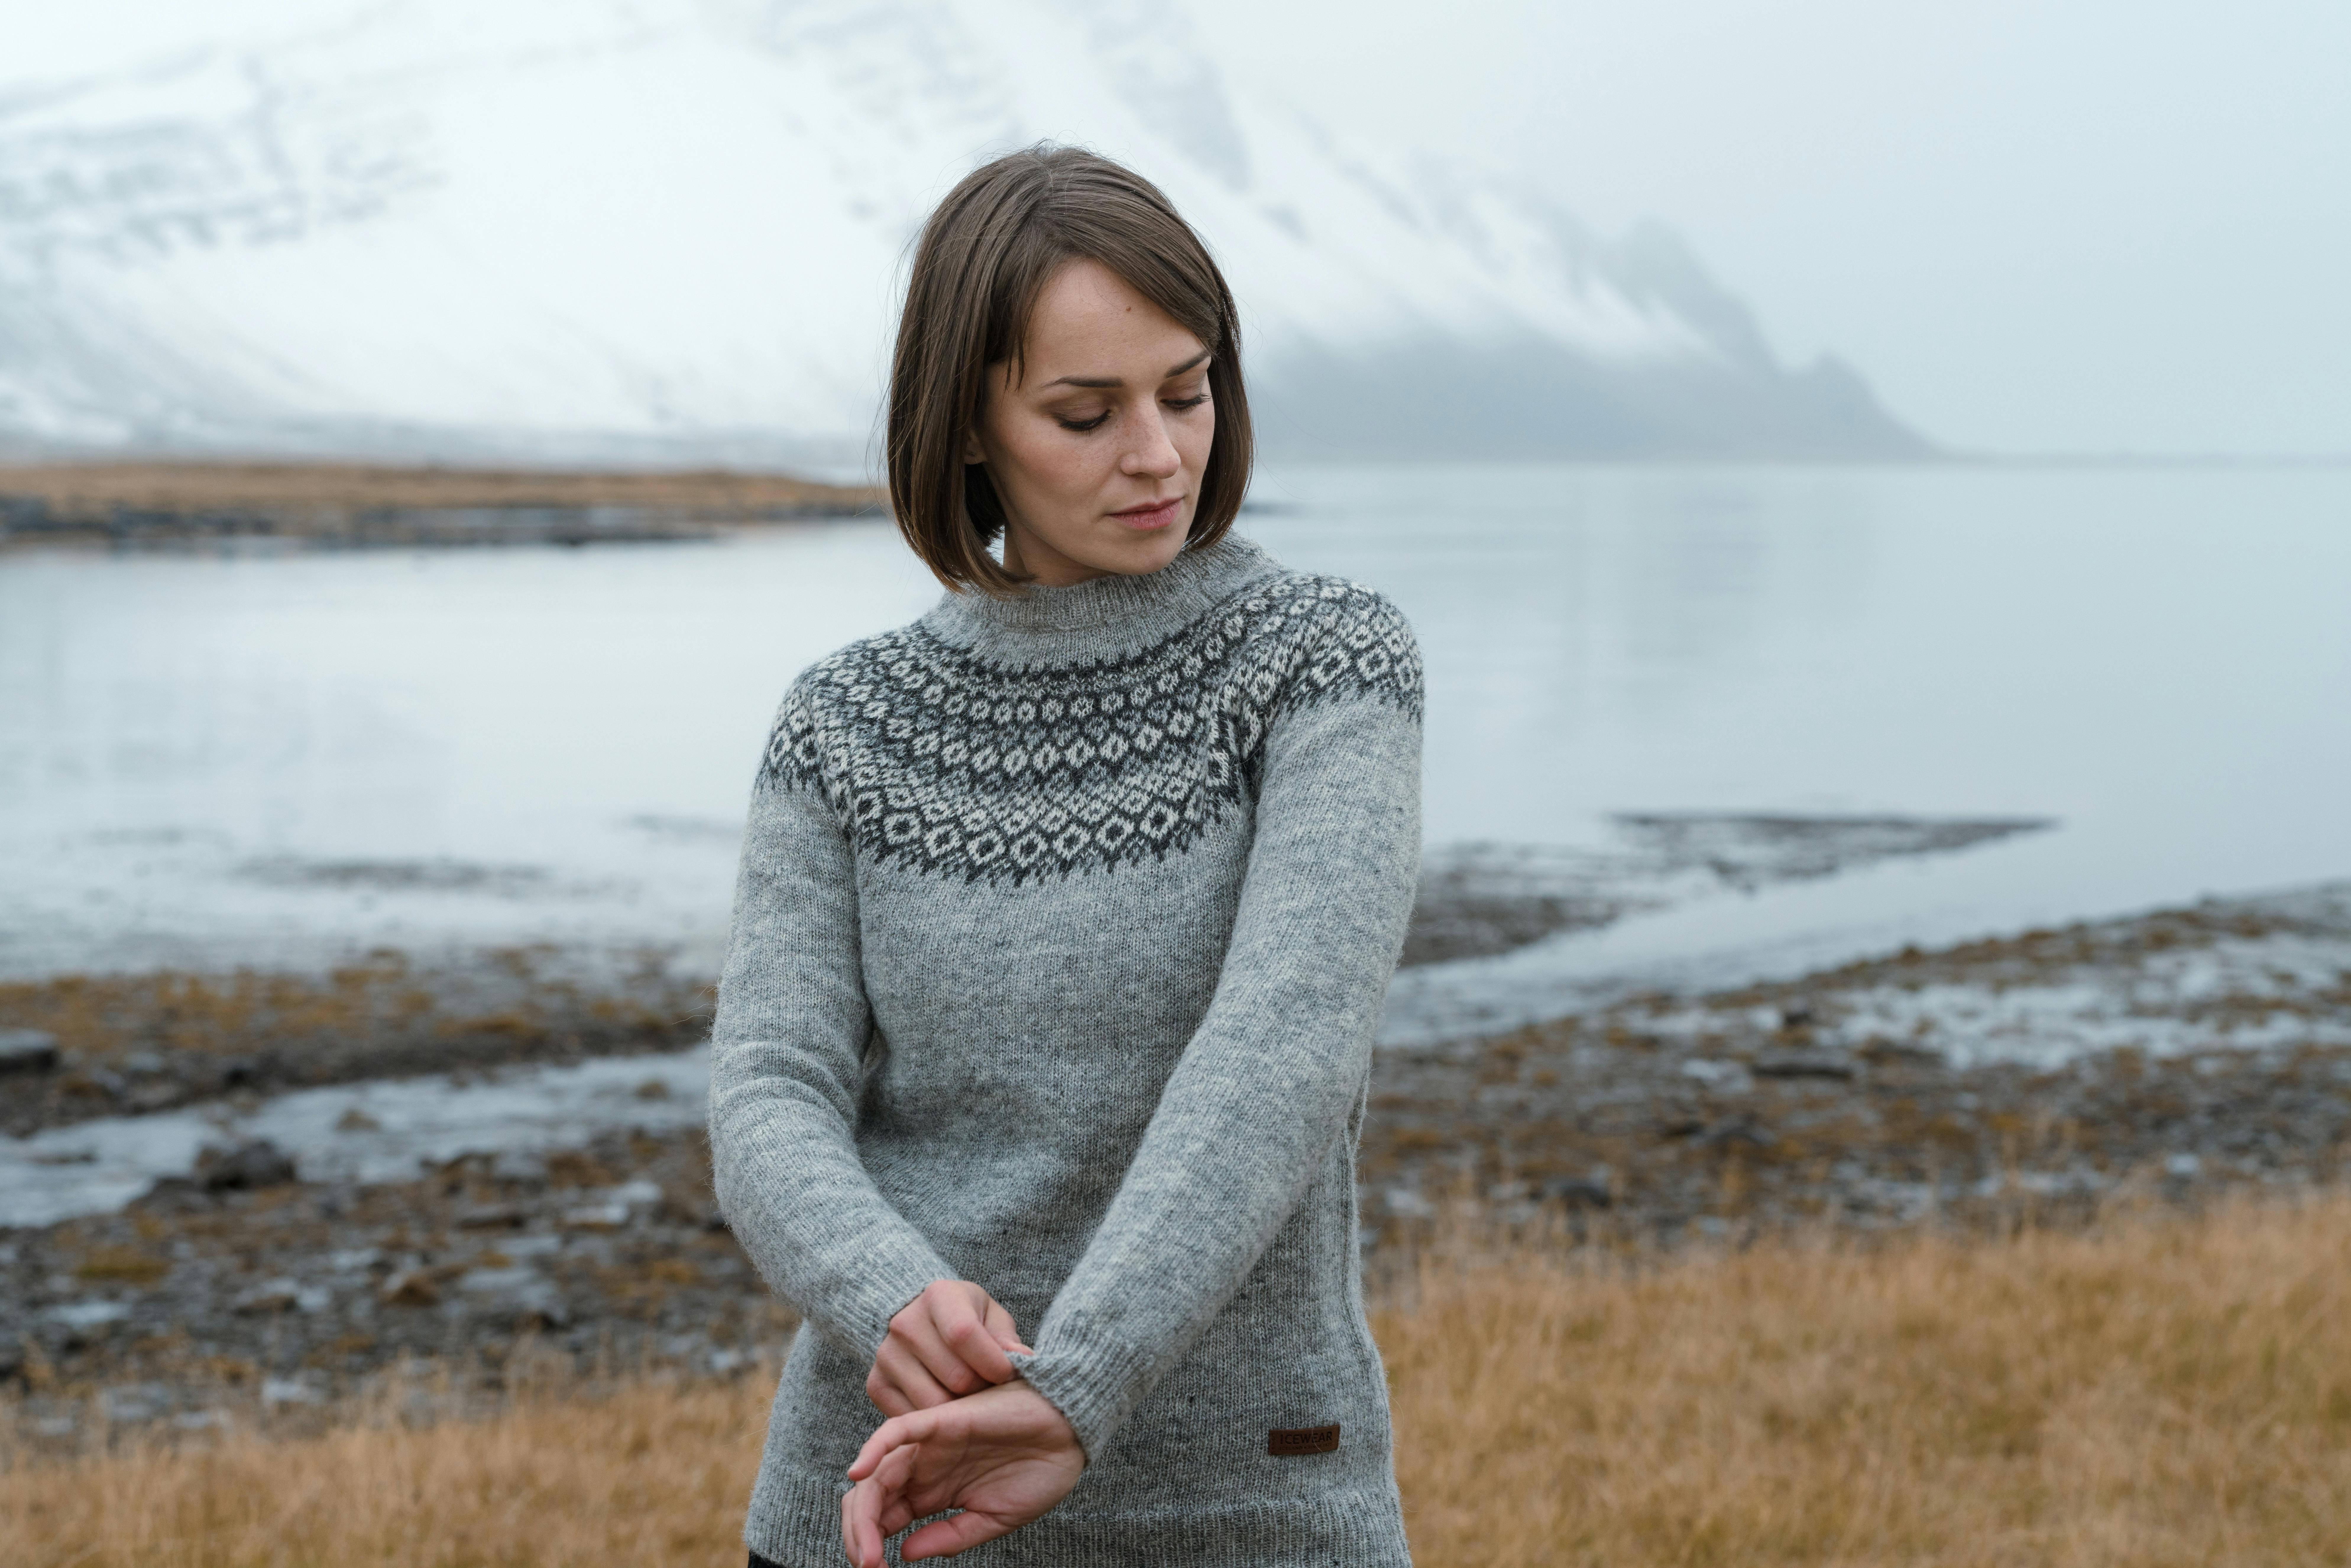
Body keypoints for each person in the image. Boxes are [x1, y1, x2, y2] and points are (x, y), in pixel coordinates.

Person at [708, 143, 1422, 1567]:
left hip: (1252, 1500)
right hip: (882, 1492)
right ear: (968, 427)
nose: (1157, 455)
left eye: (1187, 388)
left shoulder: (1324, 664)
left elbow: (1285, 1044)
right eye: (1084, 414)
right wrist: (890, 1295)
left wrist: (1073, 1387)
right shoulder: (844, 723)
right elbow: (765, 1082)